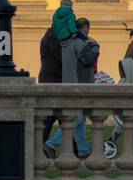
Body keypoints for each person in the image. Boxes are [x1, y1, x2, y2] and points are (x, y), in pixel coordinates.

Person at [44, 17, 99, 160]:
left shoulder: (69, 42)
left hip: (73, 83)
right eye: (86, 30)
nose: (87, 33)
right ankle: (51, 144)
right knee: (77, 118)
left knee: (79, 118)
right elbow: (89, 59)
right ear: (82, 30)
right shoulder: (79, 43)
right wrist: (95, 46)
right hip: (79, 85)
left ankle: (83, 150)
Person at [38, 21, 63, 144]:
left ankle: (76, 149)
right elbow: (62, 56)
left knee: (61, 118)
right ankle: (42, 146)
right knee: (52, 117)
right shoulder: (53, 37)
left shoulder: (52, 35)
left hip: (52, 79)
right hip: (52, 81)